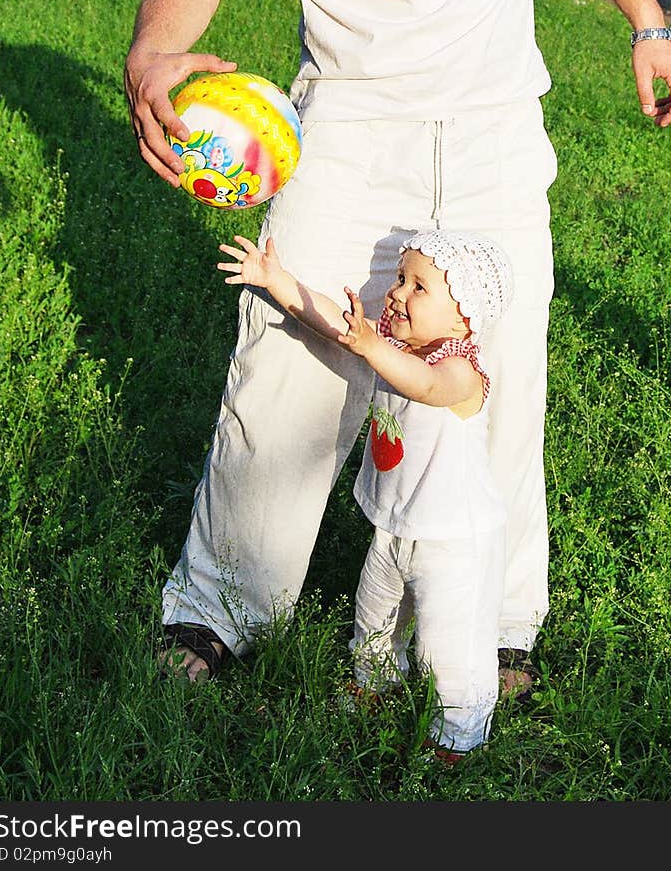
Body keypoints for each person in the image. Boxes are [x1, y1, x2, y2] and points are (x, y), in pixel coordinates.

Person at [124, 0, 671, 690]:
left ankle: (498, 619)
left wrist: (649, 23)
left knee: (499, 368)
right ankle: (218, 612)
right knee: (292, 356)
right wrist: (156, 50)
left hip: (489, 126)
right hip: (346, 125)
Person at [212, 227, 513, 760]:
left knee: (451, 644)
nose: (397, 292)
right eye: (401, 278)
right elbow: (331, 322)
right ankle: (374, 681)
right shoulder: (394, 346)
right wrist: (275, 279)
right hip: (396, 524)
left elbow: (427, 388)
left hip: (452, 542)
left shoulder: (463, 370)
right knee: (374, 612)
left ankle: (459, 735)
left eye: (420, 287)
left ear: (464, 316)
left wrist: (372, 345)